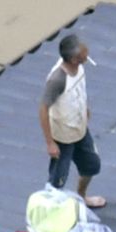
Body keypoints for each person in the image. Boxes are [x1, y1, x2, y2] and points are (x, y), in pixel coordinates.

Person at [39, 34, 106, 209]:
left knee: (92, 165)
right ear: (74, 59)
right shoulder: (57, 80)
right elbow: (43, 109)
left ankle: (81, 196)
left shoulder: (80, 68)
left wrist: (85, 108)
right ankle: (50, 212)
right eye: (84, 53)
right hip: (63, 136)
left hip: (80, 129)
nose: (87, 53)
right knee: (58, 179)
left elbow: (80, 91)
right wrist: (50, 143)